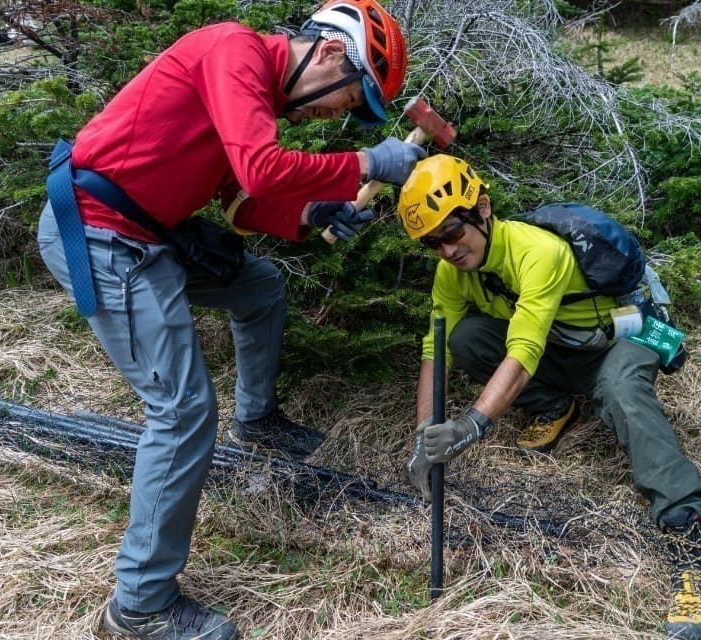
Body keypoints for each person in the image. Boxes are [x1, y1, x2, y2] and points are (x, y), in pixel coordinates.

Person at [37, 1, 425, 638]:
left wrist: (317, 214)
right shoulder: (234, 50)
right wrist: (364, 164)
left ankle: (258, 418)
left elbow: (242, 204)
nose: (336, 117)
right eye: (347, 101)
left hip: (149, 236)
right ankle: (139, 606)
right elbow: (261, 168)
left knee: (261, 287)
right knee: (182, 410)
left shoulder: (254, 95)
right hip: (101, 232)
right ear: (329, 53)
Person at [398, 155, 701, 640]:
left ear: (482, 209)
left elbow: (525, 348)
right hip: (560, 344)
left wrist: (470, 425)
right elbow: (435, 345)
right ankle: (558, 406)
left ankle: (694, 547)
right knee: (465, 338)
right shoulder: (453, 273)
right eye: (432, 243)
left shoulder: (537, 252)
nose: (447, 250)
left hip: (615, 343)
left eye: (451, 233)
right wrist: (425, 433)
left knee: (619, 391)